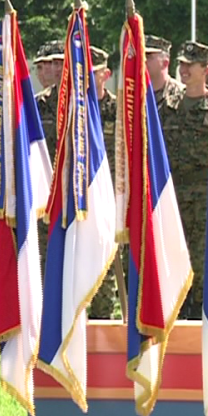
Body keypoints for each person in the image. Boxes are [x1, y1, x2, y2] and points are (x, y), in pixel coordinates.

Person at [168, 41, 208, 319]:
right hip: (173, 192)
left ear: (206, 69)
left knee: (203, 252)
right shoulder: (169, 106)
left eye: (190, 65)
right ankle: (179, 304)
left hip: (205, 193)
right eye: (181, 64)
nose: (184, 70)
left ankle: (200, 306)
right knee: (176, 249)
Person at [88, 46, 119, 319]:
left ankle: (104, 322)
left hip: (110, 199)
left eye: (93, 72)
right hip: (77, 201)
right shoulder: (70, 110)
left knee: (106, 267)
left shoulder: (119, 110)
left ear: (106, 75)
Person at [144, 35, 184, 125]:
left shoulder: (180, 95)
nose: (143, 60)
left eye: (148, 56)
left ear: (165, 62)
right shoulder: (133, 95)